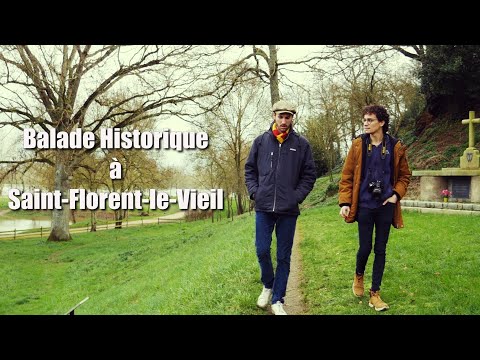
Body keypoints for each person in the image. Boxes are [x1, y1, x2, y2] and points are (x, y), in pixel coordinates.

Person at [245, 99, 317, 315]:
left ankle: (278, 299)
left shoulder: (302, 144)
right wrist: (255, 192)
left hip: (288, 210)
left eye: (288, 117)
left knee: (284, 256)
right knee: (262, 249)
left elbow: (309, 175)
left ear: (292, 118)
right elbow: (249, 170)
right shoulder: (260, 142)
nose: (284, 121)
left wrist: (296, 197)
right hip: (264, 207)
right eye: (281, 116)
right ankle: (268, 284)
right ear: (274, 116)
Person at [338, 104, 411, 311]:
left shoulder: (396, 146)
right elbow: (347, 176)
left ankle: (375, 294)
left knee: (380, 249)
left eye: (370, 120)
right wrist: (345, 202)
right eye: (364, 120)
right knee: (365, 248)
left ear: (382, 122)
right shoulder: (358, 145)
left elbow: (405, 175)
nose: (365, 123)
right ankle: (358, 275)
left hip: (386, 205)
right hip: (364, 205)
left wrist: (396, 195)